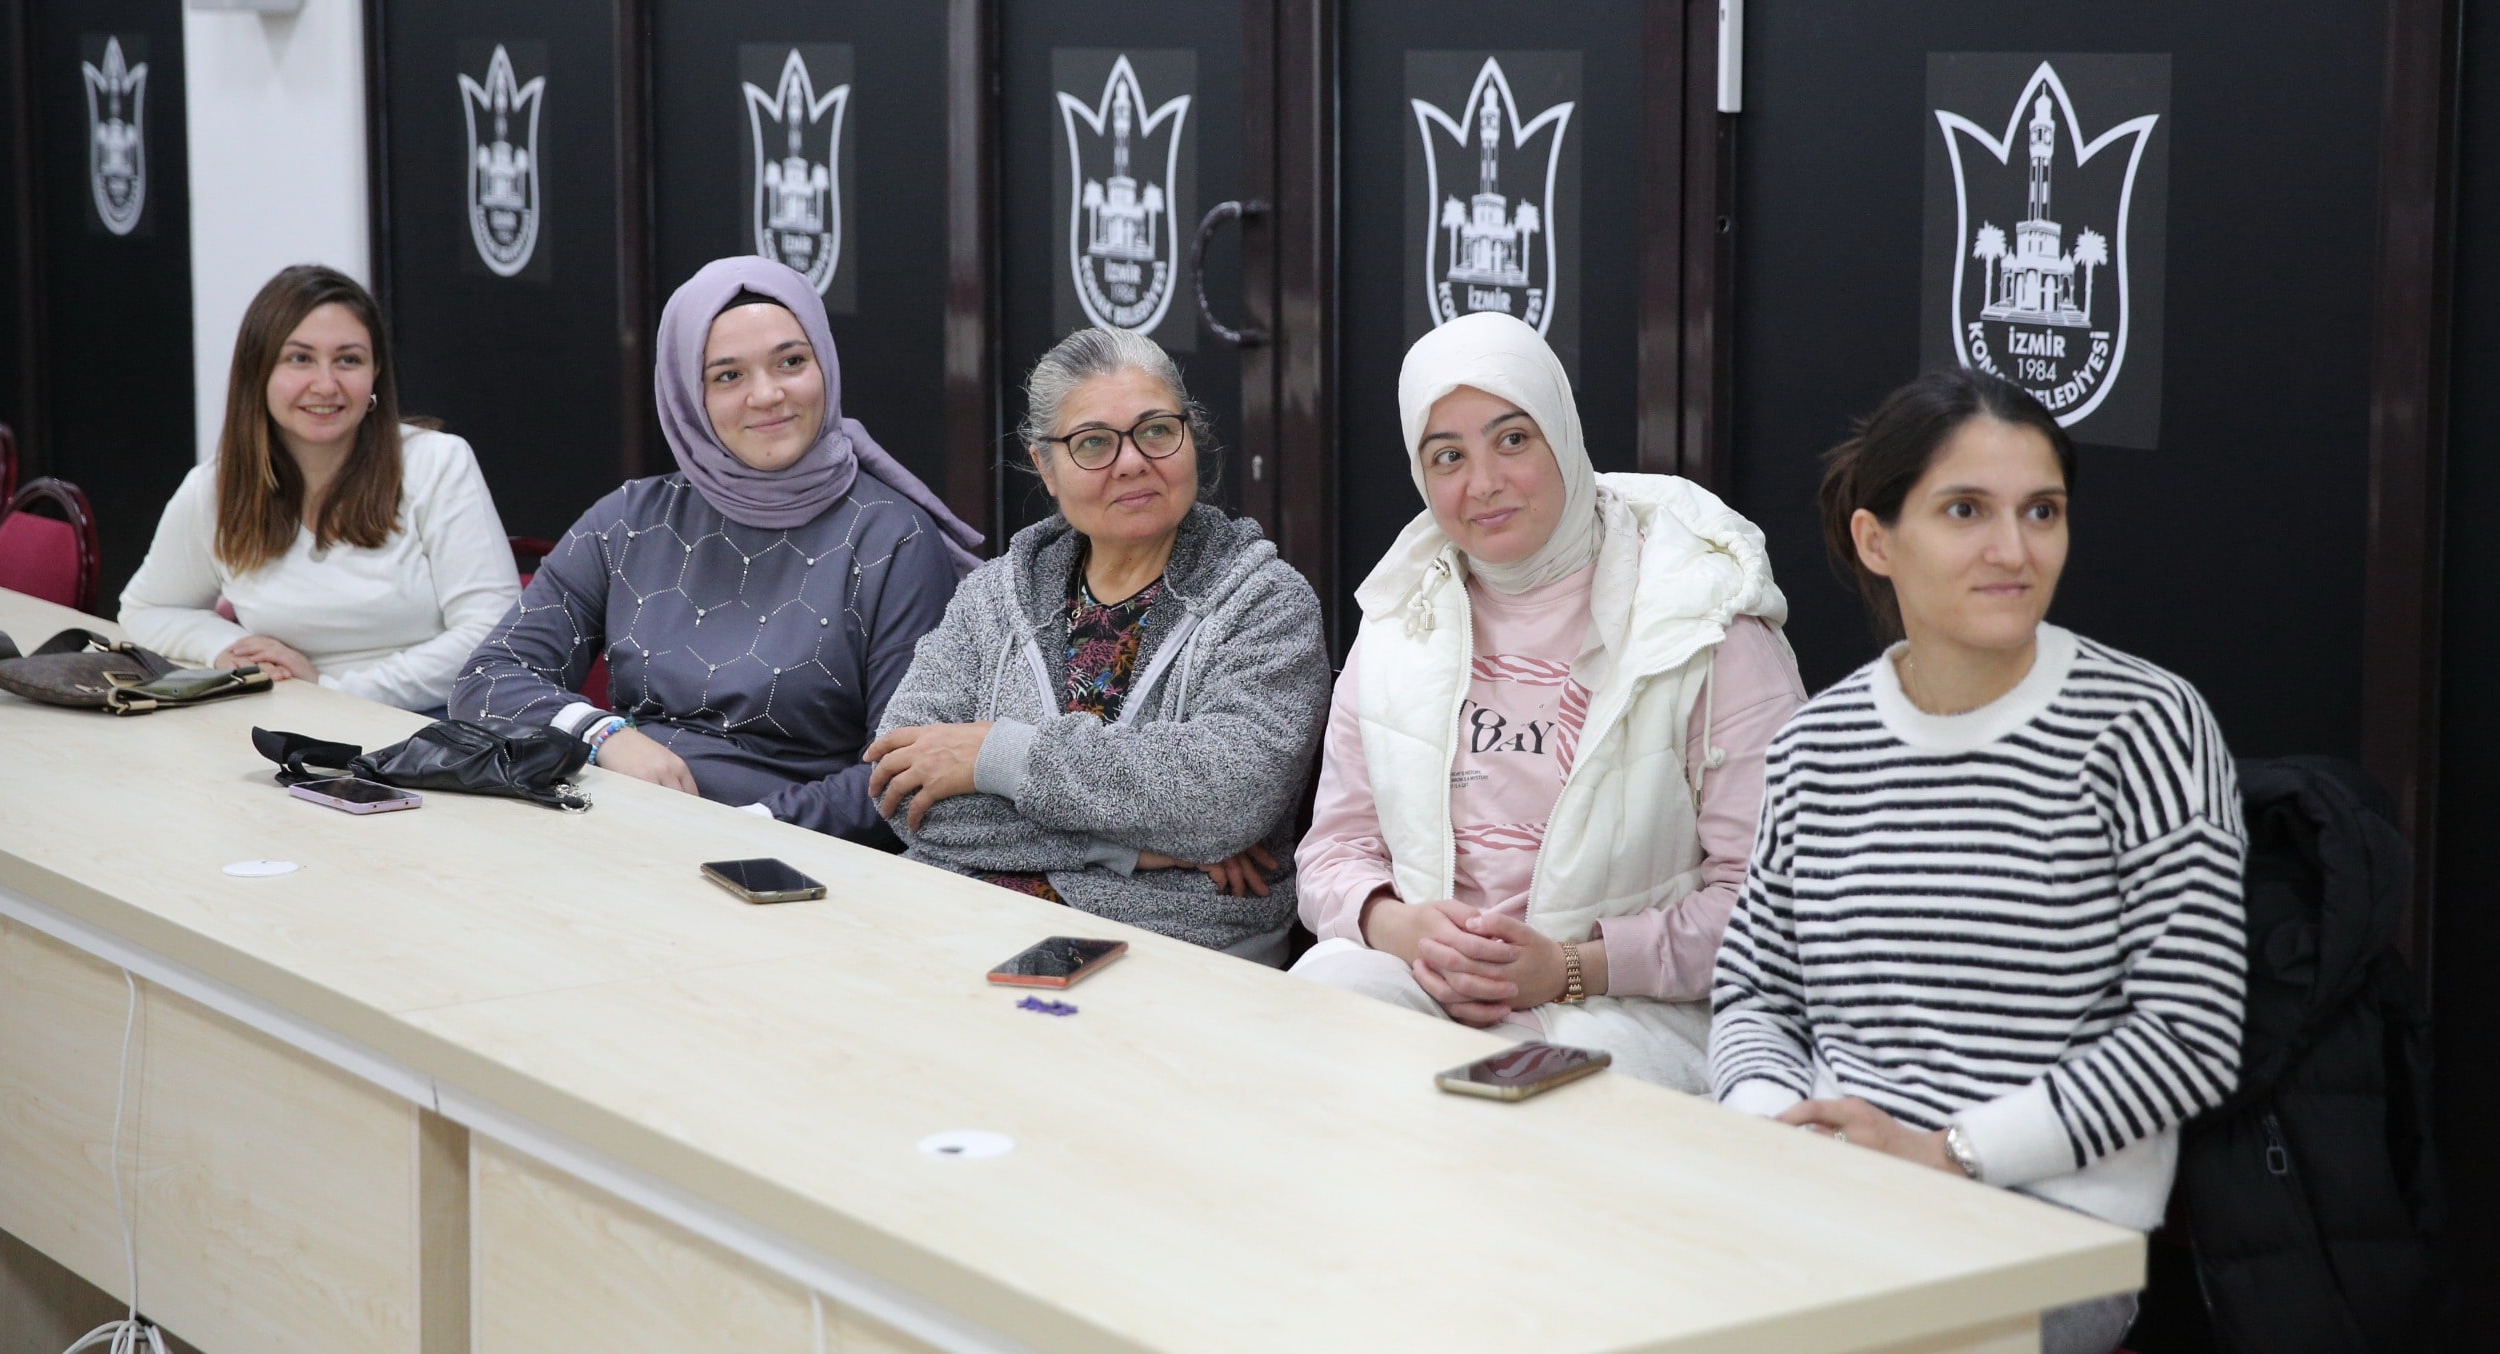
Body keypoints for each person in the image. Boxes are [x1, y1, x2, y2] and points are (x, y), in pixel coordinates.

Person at [1709, 371, 2247, 1354]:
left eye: (2041, 511)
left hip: (2049, 1223)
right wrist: (1781, 1128)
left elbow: (2190, 1032)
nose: (2014, 549)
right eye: (1966, 510)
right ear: (1877, 540)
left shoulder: (2145, 726)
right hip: (1829, 1187)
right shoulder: (1817, 744)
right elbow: (1753, 991)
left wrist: (1946, 1152)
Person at [1289, 312, 1801, 1091]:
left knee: (1525, 1121)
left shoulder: (1705, 623)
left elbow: (1766, 905)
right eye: (1448, 456)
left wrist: (1567, 968)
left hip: (1627, 1005)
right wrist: (1400, 927)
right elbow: (1334, 852)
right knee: (1315, 1015)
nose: (1483, 483)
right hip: (1428, 986)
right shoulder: (1401, 619)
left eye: (1513, 440)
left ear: (1562, 435)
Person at [453, 257, 974, 834]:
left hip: (782, 854)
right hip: (609, 827)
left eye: (791, 362)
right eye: (728, 376)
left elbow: (902, 772)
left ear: (825, 364)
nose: (767, 394)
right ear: (686, 394)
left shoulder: (892, 539)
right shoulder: (631, 520)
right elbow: (488, 679)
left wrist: (741, 829)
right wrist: (604, 735)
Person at [867, 326, 1327, 964]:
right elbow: (900, 788)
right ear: (1045, 466)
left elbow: (1226, 800)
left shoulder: (1264, 601)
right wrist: (1130, 847)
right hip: (964, 917)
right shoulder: (993, 595)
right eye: (1093, 443)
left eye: (1157, 431)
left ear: (1191, 435)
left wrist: (995, 755)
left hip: (1172, 944)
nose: (1132, 461)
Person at [121, 265, 514, 713]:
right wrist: (230, 648)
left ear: (375, 373)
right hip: (286, 718)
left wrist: (333, 690)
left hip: (430, 721)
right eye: (300, 359)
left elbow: (491, 632)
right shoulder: (215, 487)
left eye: (348, 360)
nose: (326, 385)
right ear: (258, 371)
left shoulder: (437, 462)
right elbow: (147, 609)